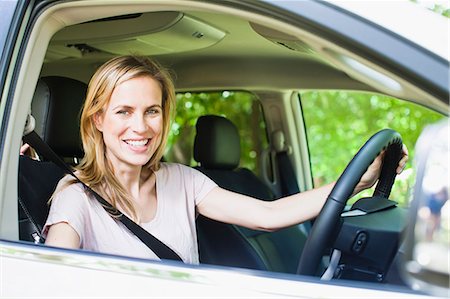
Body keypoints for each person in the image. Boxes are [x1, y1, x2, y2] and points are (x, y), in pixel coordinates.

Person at [43, 55, 409, 264]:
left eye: (152, 111)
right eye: (123, 111)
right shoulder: (75, 198)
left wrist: (360, 181)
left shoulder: (182, 180)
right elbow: (51, 279)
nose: (141, 126)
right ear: (98, 120)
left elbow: (269, 216)